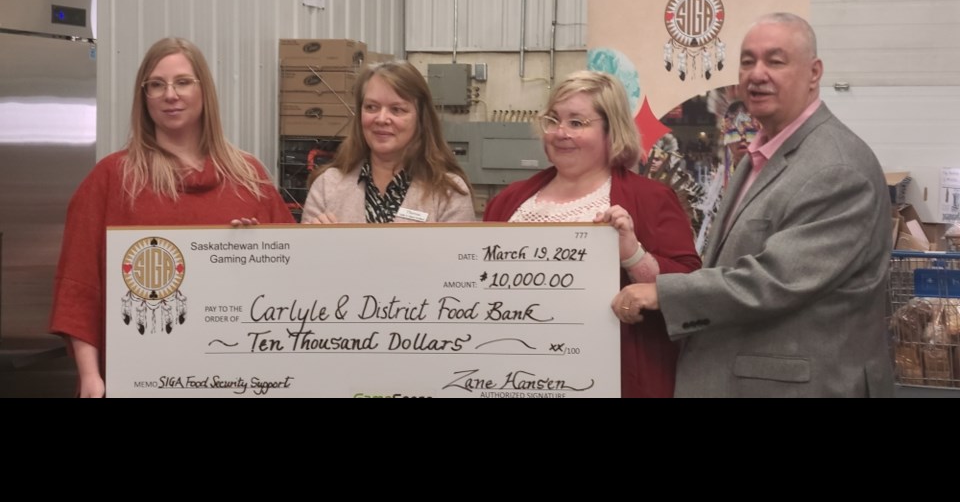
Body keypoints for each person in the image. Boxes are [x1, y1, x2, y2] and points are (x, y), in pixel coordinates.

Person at [613, 13, 894, 397]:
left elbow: (775, 280)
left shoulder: (838, 168)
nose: (756, 74)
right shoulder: (758, 156)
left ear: (814, 73)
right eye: (747, 61)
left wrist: (664, 293)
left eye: (775, 61)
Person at [50, 37, 295, 397]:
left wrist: (255, 253)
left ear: (203, 91)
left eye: (182, 82)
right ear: (143, 96)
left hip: (236, 378)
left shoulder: (249, 177)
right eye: (156, 85)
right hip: (138, 379)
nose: (170, 94)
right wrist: (90, 375)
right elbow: (80, 285)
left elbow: (288, 280)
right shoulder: (112, 178)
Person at [483, 71, 701, 398]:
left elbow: (690, 287)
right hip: (514, 375)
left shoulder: (651, 199)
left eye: (577, 123)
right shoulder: (508, 201)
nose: (560, 133)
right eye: (553, 120)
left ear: (611, 131)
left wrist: (633, 255)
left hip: (611, 379)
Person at [302, 61, 475, 224]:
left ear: (421, 118)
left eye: (397, 109)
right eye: (371, 107)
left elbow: (456, 255)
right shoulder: (327, 186)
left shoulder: (448, 192)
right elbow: (303, 255)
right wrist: (316, 241)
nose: (382, 119)